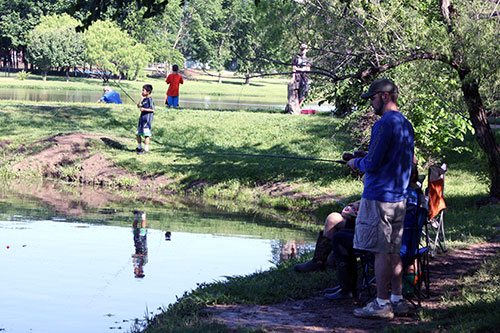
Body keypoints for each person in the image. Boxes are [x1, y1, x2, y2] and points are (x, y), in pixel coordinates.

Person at [347, 78, 414, 319]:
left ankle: (381, 303)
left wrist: (356, 163)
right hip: (399, 198)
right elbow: (398, 160)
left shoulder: (384, 124)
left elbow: (373, 164)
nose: (371, 103)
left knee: (380, 251)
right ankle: (396, 299)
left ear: (385, 96)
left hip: (379, 198)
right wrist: (368, 156)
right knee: (393, 250)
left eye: (372, 98)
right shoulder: (405, 124)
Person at [294, 200, 360, 273]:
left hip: (368, 228)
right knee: (335, 218)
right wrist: (355, 205)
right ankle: (328, 259)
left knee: (333, 219)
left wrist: (358, 212)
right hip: (365, 224)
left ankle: (319, 262)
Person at [135, 84, 155, 154]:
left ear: (148, 92)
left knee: (146, 135)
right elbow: (138, 105)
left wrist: (144, 109)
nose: (142, 91)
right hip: (141, 120)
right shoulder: (144, 99)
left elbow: (152, 110)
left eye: (143, 90)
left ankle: (146, 149)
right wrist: (141, 99)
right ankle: (139, 147)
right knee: (138, 134)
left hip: (146, 121)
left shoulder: (150, 100)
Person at [292, 43, 311, 109]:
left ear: (307, 50)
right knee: (295, 94)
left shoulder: (307, 59)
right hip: (297, 78)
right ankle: (295, 109)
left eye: (304, 49)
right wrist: (293, 77)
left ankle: (298, 108)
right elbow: (294, 68)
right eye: (301, 49)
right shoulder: (296, 58)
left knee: (303, 95)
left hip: (305, 78)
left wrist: (299, 69)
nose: (302, 50)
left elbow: (308, 69)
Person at [132, 210, 148, 278]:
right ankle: (143, 215)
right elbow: (145, 254)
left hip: (136, 243)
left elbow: (134, 258)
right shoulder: (144, 263)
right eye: (139, 272)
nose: (138, 271)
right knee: (142, 229)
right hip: (142, 243)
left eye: (137, 272)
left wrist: (135, 267)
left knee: (134, 229)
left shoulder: (136, 264)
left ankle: (136, 215)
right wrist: (137, 255)